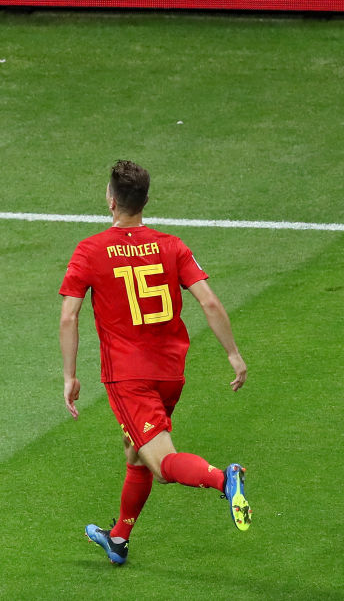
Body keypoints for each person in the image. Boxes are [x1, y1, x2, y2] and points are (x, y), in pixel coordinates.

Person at [59, 160, 251, 565]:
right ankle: (118, 538)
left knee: (162, 464)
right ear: (145, 200)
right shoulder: (172, 245)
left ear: (110, 200)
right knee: (134, 450)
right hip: (170, 373)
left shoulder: (90, 250)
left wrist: (70, 376)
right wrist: (233, 354)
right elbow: (210, 302)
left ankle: (224, 479)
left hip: (129, 377)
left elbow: (69, 316)